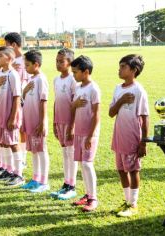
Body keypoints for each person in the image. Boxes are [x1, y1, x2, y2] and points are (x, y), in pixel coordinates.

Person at [109, 54, 149, 217]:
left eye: (123, 66)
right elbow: (111, 113)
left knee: (133, 170)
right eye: (119, 66)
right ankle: (126, 201)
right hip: (119, 136)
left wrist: (143, 142)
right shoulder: (118, 89)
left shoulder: (139, 90)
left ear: (134, 70)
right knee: (121, 170)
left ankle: (133, 204)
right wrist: (121, 100)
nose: (119, 69)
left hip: (132, 137)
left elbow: (145, 117)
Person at [69, 55, 101, 212]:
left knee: (88, 164)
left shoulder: (94, 89)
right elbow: (73, 108)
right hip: (79, 132)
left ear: (86, 71)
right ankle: (87, 195)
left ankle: (93, 199)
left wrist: (90, 135)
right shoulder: (78, 87)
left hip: (89, 134)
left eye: (75, 72)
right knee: (82, 164)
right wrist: (74, 105)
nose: (73, 75)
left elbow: (96, 115)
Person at [0, 46, 24, 187]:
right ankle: (8, 170)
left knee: (13, 143)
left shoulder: (13, 75)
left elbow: (17, 97)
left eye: (0, 56)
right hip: (0, 114)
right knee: (4, 142)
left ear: (9, 59)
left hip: (10, 115)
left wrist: (13, 117)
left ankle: (19, 174)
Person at [50, 48, 79, 200]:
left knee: (71, 153)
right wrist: (54, 122)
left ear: (70, 63)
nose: (58, 64)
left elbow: (74, 105)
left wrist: (73, 125)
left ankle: (72, 186)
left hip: (70, 122)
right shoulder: (56, 79)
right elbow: (56, 102)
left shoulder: (73, 81)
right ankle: (66, 184)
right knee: (65, 153)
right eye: (57, 61)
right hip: (60, 121)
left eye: (62, 61)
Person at [20, 50, 50, 193]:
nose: (25, 68)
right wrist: (24, 91)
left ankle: (44, 182)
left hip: (38, 123)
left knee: (41, 151)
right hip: (30, 122)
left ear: (36, 64)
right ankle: (35, 179)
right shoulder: (31, 79)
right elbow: (25, 99)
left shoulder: (41, 79)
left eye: (27, 65)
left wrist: (43, 122)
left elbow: (43, 101)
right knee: (33, 151)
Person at [4, 32, 28, 167]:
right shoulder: (11, 61)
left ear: (13, 45)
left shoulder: (25, 60)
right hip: (10, 98)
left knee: (22, 129)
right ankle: (16, 158)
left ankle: (22, 158)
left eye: (7, 45)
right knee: (16, 129)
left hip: (23, 99)